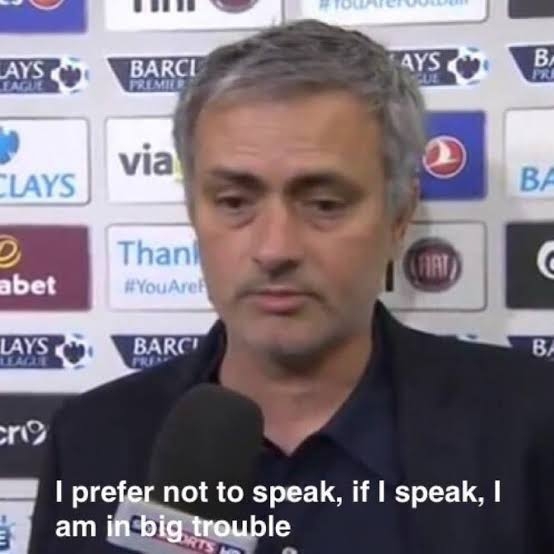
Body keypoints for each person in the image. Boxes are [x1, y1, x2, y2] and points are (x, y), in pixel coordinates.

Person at [29, 19, 554, 554]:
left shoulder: (532, 424)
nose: (275, 249)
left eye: (324, 204)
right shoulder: (92, 440)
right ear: (192, 211)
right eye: (235, 202)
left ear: (400, 216)